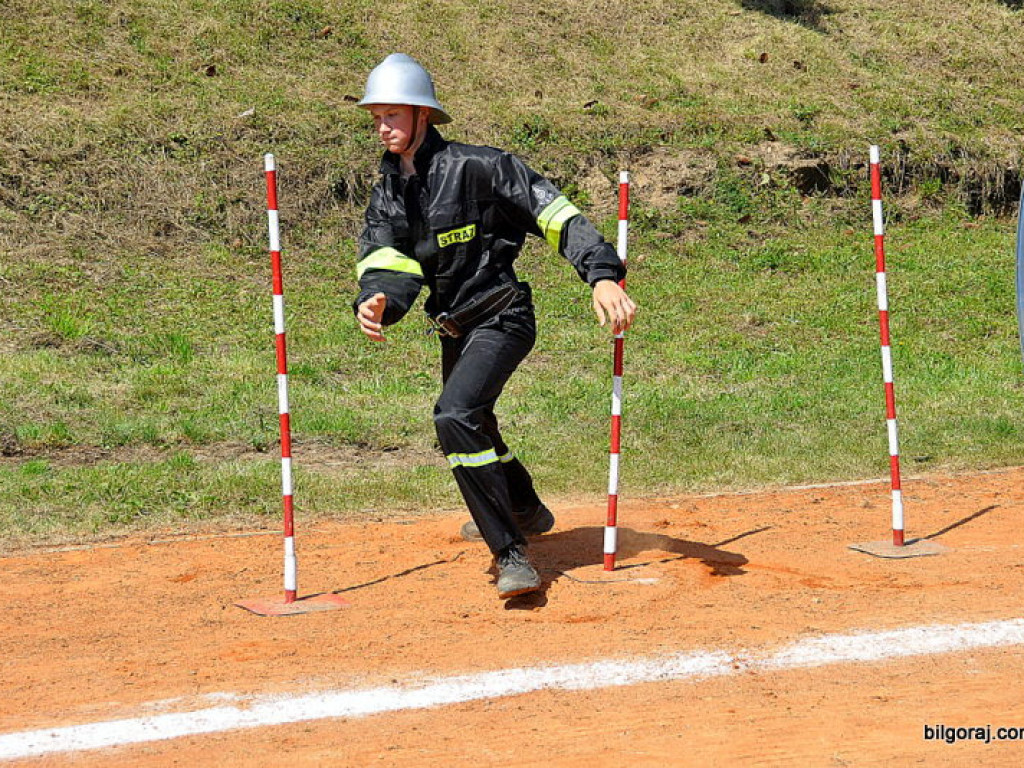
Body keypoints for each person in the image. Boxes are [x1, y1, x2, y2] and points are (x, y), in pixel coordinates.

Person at [353, 53, 637, 599]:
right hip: (452, 327)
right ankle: (526, 509)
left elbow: (558, 216)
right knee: (474, 422)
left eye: (392, 115)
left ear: (422, 116)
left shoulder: (481, 167)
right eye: (376, 118)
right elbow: (385, 255)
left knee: (453, 417)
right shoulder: (390, 189)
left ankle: (511, 554)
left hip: (502, 315)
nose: (383, 126)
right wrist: (378, 298)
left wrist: (602, 276)